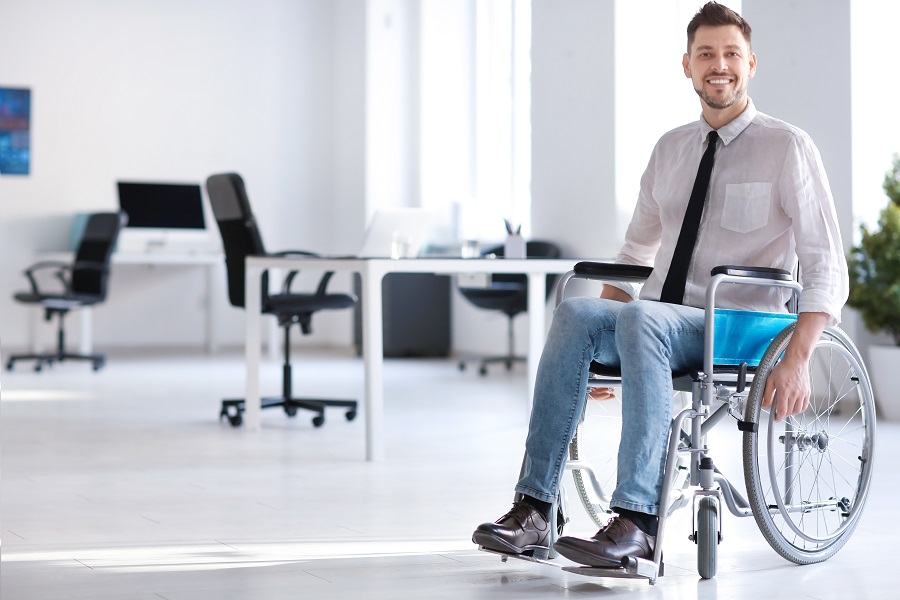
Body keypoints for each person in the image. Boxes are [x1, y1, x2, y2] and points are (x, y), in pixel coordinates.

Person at [472, 1, 848, 568]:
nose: (717, 65)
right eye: (705, 55)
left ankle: (638, 520)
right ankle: (536, 507)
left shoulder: (787, 146)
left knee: (643, 317)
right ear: (687, 66)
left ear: (751, 64)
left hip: (743, 324)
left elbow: (825, 264)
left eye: (730, 54)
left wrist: (798, 359)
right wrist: (595, 351)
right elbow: (634, 255)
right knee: (577, 314)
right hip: (662, 322)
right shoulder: (670, 149)